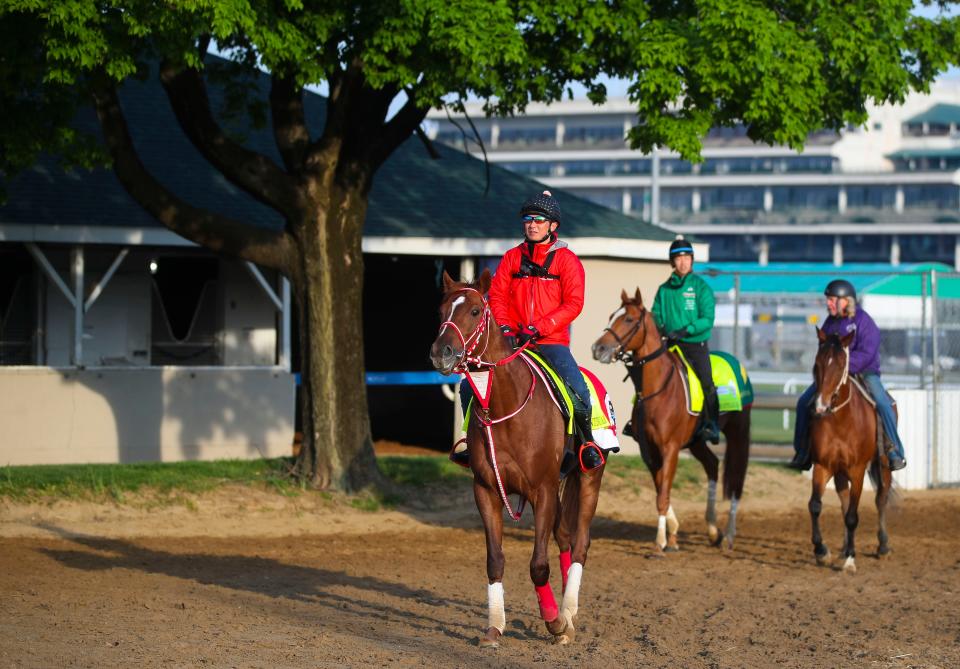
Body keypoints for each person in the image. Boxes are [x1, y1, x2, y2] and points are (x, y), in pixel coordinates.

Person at [451, 190, 605, 471]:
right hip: (511, 341)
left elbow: (573, 304)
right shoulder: (511, 258)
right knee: (466, 386)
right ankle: (472, 444)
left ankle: (586, 445)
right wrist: (507, 325)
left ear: (553, 226)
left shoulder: (567, 261)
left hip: (550, 341)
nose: (532, 224)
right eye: (528, 219)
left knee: (579, 389)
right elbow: (496, 296)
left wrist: (540, 327)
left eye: (539, 220)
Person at [788, 279, 907, 471]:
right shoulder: (829, 323)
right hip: (834, 377)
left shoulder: (863, 321)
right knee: (803, 402)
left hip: (865, 373)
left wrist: (844, 366)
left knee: (884, 404)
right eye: (828, 299)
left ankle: (894, 451)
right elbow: (824, 352)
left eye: (832, 299)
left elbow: (869, 352)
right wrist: (831, 369)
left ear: (846, 301)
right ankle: (802, 451)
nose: (828, 303)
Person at [651, 235, 720, 444]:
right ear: (673, 262)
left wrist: (685, 330)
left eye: (686, 258)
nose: (682, 262)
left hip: (695, 345)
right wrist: (662, 328)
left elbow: (707, 319)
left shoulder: (701, 287)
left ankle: (712, 424)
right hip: (670, 344)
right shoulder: (664, 289)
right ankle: (638, 418)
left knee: (707, 383)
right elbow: (655, 313)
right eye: (678, 258)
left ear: (692, 261)